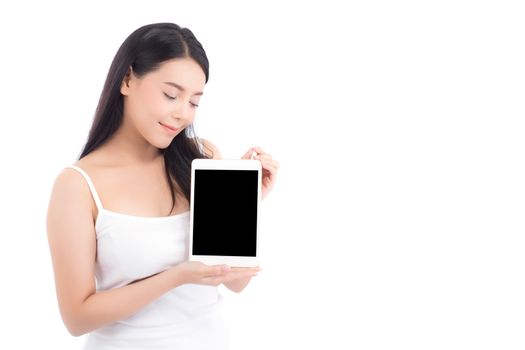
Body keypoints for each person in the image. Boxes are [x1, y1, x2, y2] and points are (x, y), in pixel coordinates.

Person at [46, 22, 280, 349]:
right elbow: (77, 318)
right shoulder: (77, 186)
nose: (183, 114)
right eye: (171, 95)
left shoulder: (202, 158)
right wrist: (176, 277)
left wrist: (243, 206)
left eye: (194, 102)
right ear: (127, 80)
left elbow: (235, 283)